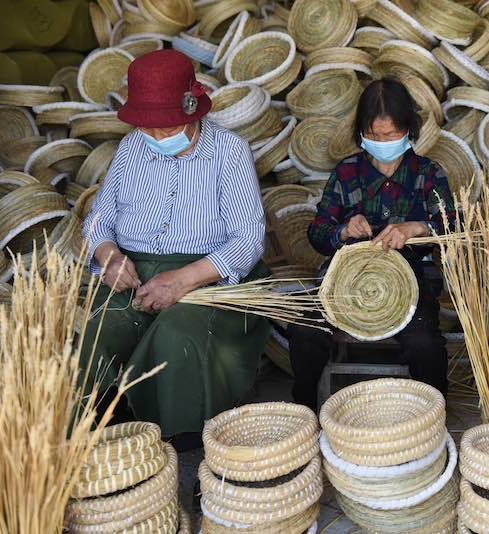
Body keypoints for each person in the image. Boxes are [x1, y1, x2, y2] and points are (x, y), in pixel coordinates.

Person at [81, 50, 269, 446]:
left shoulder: (228, 152)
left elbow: (248, 240)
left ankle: (181, 444)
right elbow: (98, 221)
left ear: (193, 109)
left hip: (205, 276)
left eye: (168, 129)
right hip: (132, 270)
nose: (157, 138)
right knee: (100, 329)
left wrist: (183, 280)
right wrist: (110, 257)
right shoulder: (132, 148)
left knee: (178, 336)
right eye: (149, 129)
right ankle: (100, 429)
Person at [288, 78, 456, 411]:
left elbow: (454, 229)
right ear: (362, 132)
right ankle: (303, 413)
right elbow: (318, 234)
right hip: (343, 286)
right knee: (305, 330)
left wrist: (417, 227)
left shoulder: (428, 174)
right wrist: (344, 232)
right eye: (374, 136)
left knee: (426, 345)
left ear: (409, 129)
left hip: (412, 287)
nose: (382, 142)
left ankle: (430, 418)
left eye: (391, 135)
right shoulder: (347, 172)